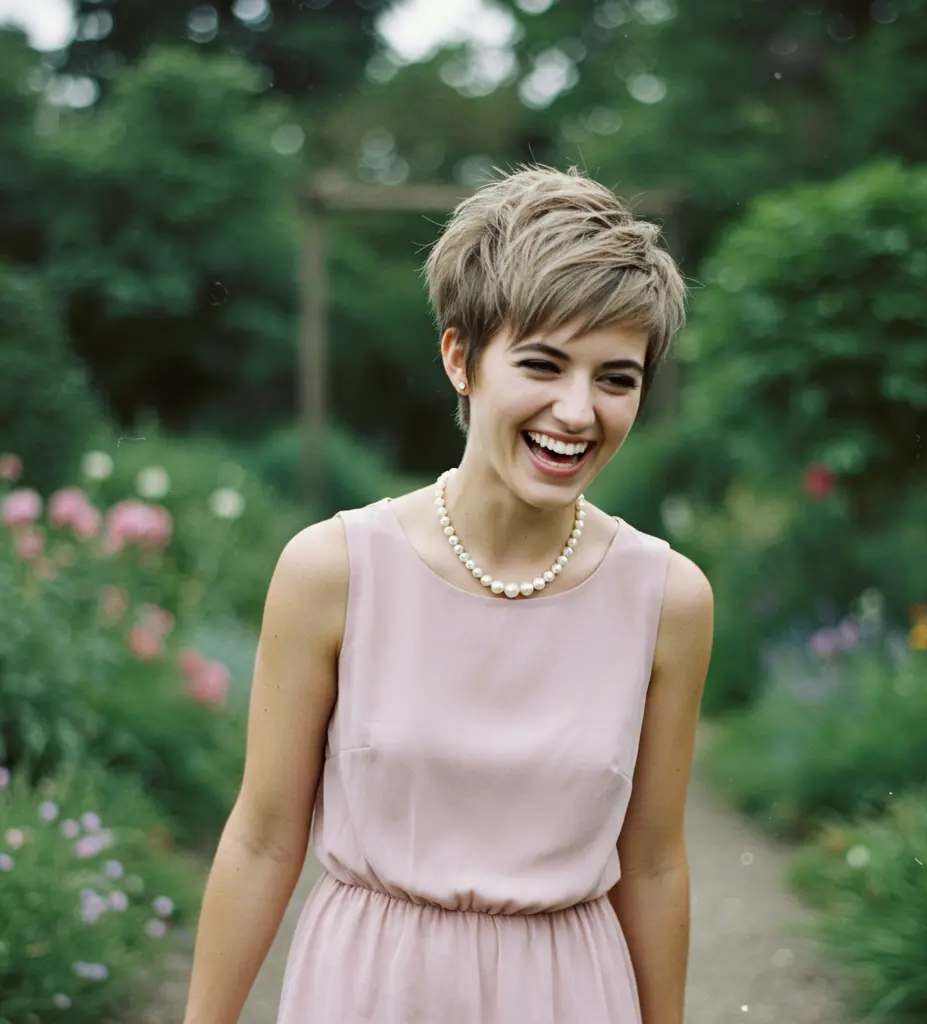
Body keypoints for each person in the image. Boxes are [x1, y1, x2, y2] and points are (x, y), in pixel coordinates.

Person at [182, 165, 714, 1024]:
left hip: (570, 997)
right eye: (543, 364)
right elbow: (264, 837)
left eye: (616, 378)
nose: (578, 412)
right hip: (366, 990)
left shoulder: (668, 598)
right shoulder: (333, 570)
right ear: (460, 357)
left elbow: (652, 864)